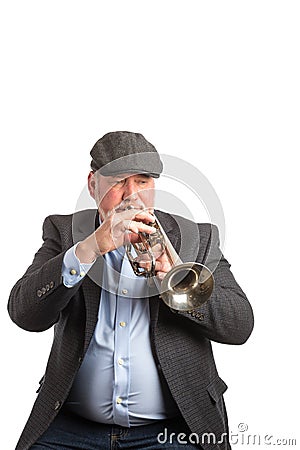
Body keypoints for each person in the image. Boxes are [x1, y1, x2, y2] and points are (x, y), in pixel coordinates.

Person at [8, 131, 254, 450]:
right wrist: (88, 249)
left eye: (142, 181)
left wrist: (177, 281)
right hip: (71, 430)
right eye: (118, 181)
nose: (131, 195)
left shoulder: (196, 237)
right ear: (92, 183)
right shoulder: (64, 232)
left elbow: (239, 326)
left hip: (174, 430)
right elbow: (24, 313)